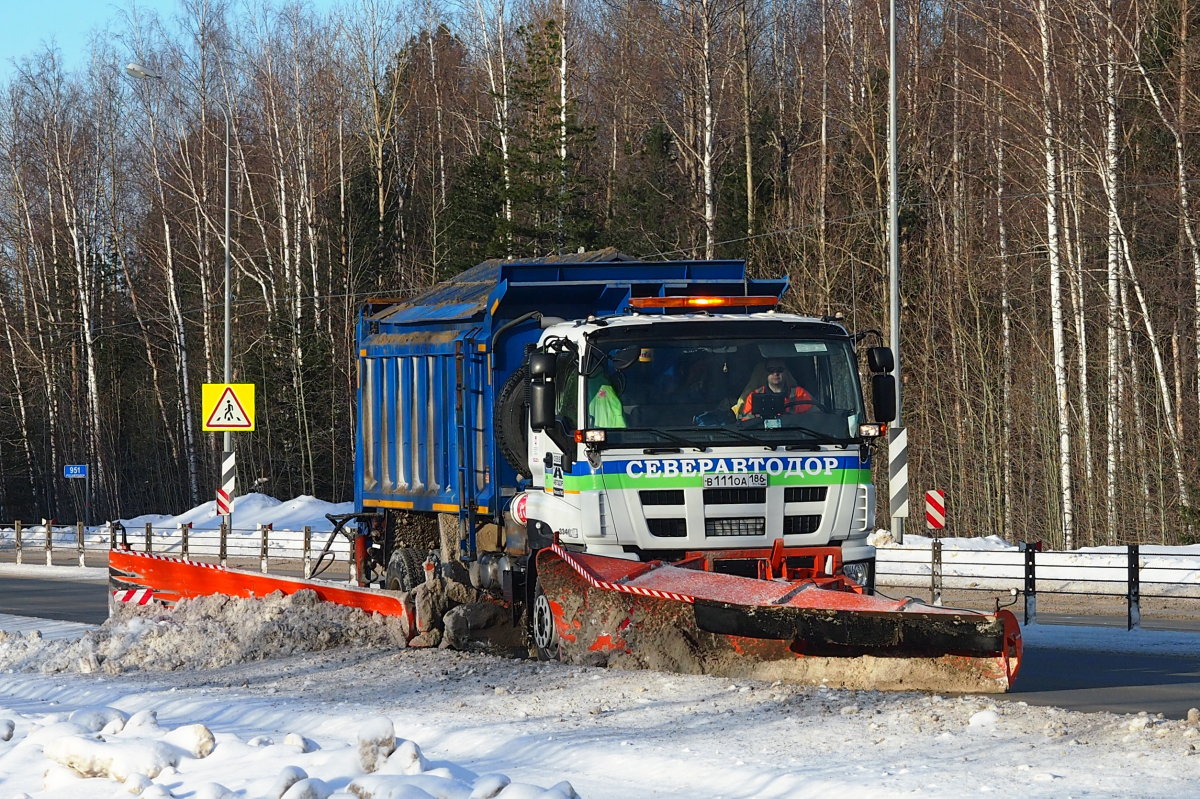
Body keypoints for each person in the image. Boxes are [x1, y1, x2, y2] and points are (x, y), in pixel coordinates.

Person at [738, 359, 814, 419]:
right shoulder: (753, 396)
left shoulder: (800, 393)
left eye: (780, 370)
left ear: (786, 372)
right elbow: (746, 423)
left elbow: (814, 417)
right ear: (765, 373)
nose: (775, 373)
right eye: (771, 370)